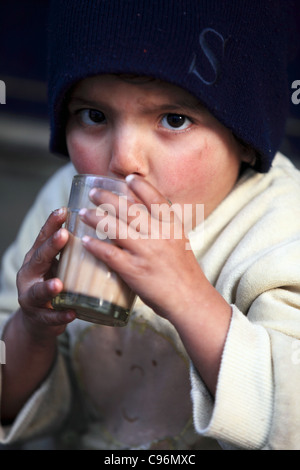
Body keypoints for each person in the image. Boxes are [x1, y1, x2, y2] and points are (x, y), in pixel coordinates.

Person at [0, 0, 299, 450]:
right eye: (94, 116)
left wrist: (187, 296)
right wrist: (31, 330)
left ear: (244, 139)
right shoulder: (64, 202)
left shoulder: (280, 226)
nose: (123, 160)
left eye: (174, 119)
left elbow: (291, 417)